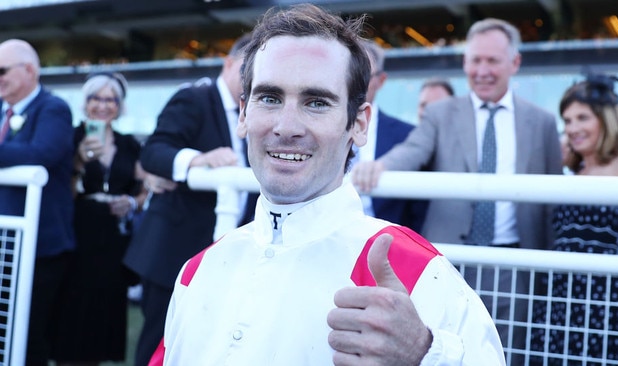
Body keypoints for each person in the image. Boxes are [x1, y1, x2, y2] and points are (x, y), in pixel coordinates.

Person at [150, 4, 505, 365]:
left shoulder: (412, 267)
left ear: (359, 124)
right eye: (270, 98)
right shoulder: (200, 268)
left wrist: (424, 355)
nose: (287, 127)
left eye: (316, 102)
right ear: (244, 113)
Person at [352, 17, 563, 359]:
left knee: (508, 353)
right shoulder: (440, 113)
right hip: (450, 260)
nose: (482, 70)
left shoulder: (541, 121)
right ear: (465, 63)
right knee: (444, 349)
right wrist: (381, 167)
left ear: (514, 63)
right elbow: (412, 151)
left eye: (492, 61)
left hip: (515, 263)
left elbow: (554, 198)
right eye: (475, 60)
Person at [122, 33, 256, 366]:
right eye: (246, 68)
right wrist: (199, 160)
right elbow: (154, 151)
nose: (253, 78)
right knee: (159, 345)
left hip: (230, 252)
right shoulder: (194, 98)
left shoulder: (259, 109)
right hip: (174, 250)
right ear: (228, 63)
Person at [530, 72, 618, 365]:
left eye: (582, 118)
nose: (572, 128)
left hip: (607, 304)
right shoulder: (574, 172)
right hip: (560, 301)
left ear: (606, 120)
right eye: (568, 120)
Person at [49, 72, 146, 365]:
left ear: (119, 105)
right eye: (96, 98)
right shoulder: (71, 137)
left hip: (115, 237)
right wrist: (79, 161)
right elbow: (62, 192)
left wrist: (130, 202)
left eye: (110, 99)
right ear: (85, 102)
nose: (103, 105)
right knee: (74, 306)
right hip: (79, 231)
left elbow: (144, 191)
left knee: (107, 307)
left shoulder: (130, 144)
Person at [0, 39, 75, 365]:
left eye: (1, 70)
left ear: (29, 70)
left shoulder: (54, 108)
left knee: (28, 336)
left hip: (39, 247)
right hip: (5, 241)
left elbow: (41, 154)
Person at [355, 39, 428, 232]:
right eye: (351, 75)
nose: (356, 84)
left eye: (364, 76)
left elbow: (417, 208)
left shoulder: (408, 135)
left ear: (381, 80)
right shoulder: (316, 127)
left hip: (388, 244)